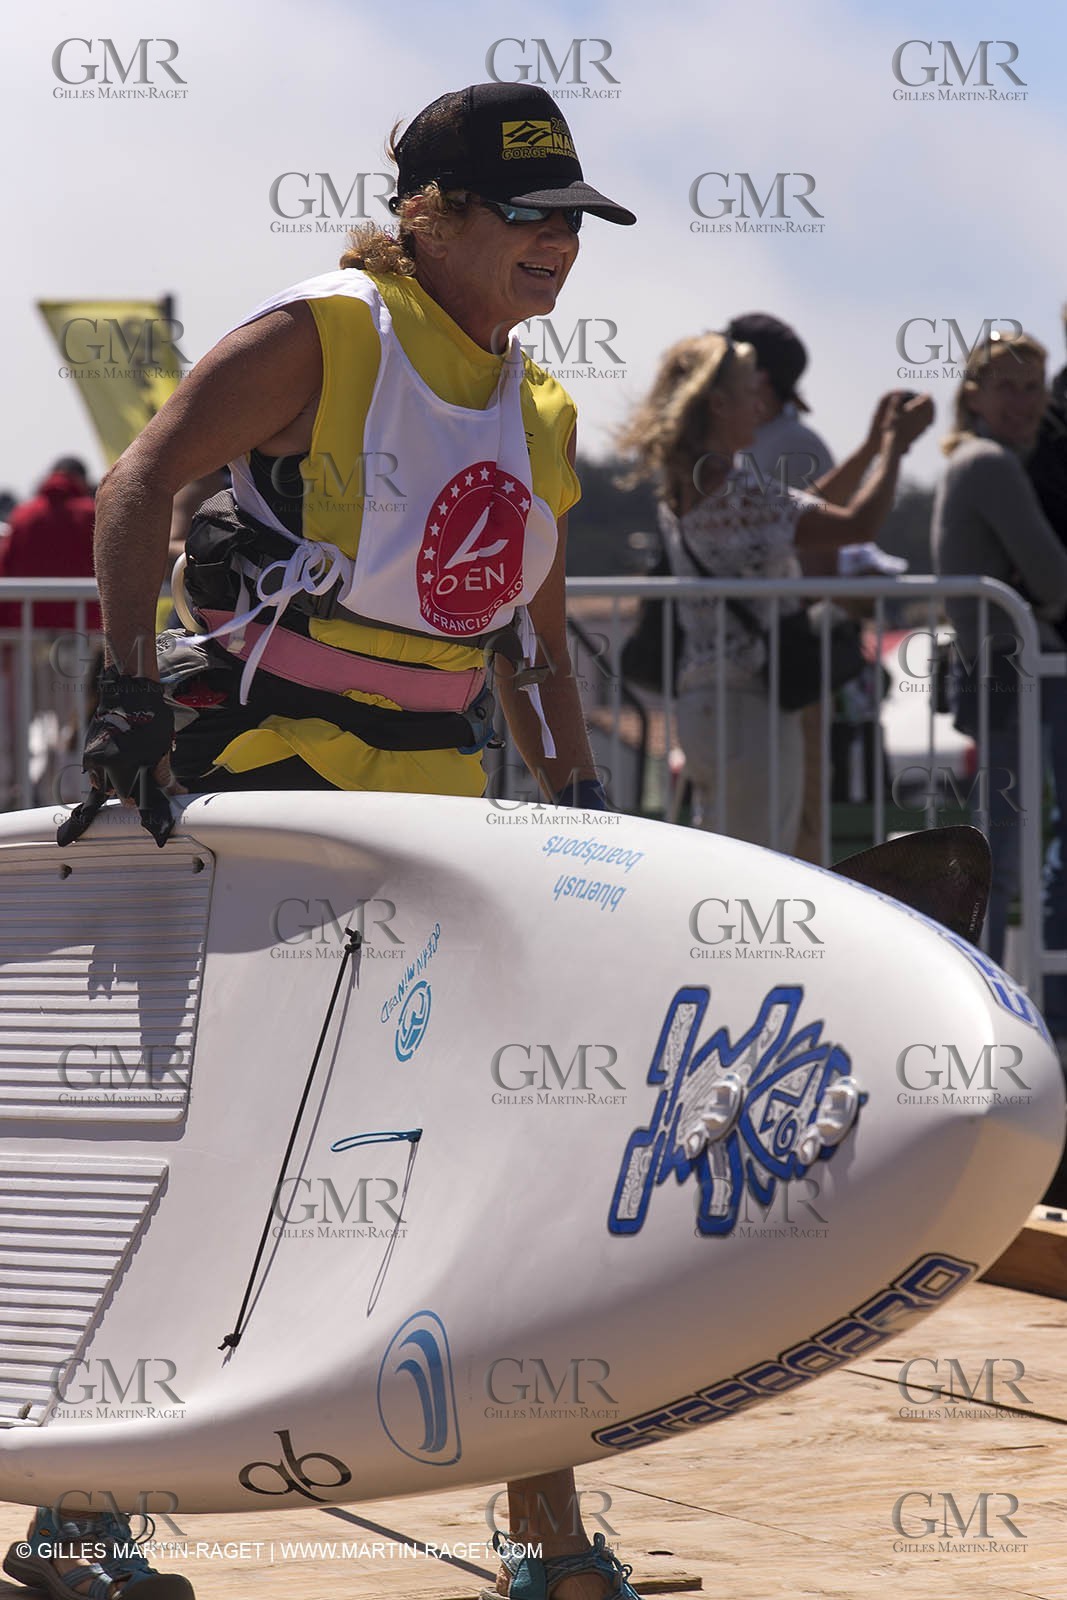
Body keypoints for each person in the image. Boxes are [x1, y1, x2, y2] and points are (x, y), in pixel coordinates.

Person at [25, 84, 640, 1600]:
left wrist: (567, 789)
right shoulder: (328, 332)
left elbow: (534, 638)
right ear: (427, 215)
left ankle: (545, 1534)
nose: (556, 246)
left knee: (488, 1144)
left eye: (572, 221)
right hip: (263, 769)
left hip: (432, 792)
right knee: (219, 1142)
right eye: (525, 217)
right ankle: (79, 1514)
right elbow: (138, 482)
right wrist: (121, 694)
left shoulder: (536, 403)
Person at [617, 333, 931, 851]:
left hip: (713, 703)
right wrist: (896, 448)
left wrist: (875, 446)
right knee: (756, 868)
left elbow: (804, 510)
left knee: (733, 861)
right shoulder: (725, 486)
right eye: (749, 392)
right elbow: (856, 524)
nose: (761, 405)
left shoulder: (697, 480)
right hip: (747, 709)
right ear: (718, 405)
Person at [932, 332, 1067, 992]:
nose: (1022, 400)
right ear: (973, 394)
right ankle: (975, 1000)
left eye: (1032, 386)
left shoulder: (975, 459)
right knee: (1001, 852)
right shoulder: (990, 464)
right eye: (1007, 385)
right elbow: (1053, 576)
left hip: (995, 666)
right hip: (1008, 666)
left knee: (1001, 844)